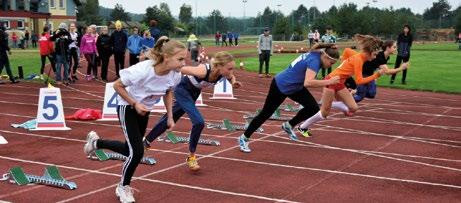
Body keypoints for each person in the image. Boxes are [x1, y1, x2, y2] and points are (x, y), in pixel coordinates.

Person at [83, 37, 187, 203]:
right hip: (127, 106)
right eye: (180, 59)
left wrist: (169, 116)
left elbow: (168, 92)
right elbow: (117, 85)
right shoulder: (143, 70)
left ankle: (96, 143)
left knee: (129, 149)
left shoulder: (175, 75)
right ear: (166, 57)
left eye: (184, 59)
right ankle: (123, 187)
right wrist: (135, 103)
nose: (183, 63)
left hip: (144, 110)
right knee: (137, 152)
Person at [143, 51, 241, 170]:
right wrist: (162, 67)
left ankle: (146, 141)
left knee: (170, 118)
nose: (231, 72)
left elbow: (231, 77)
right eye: (229, 68)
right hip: (182, 90)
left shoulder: (223, 73)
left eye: (232, 69)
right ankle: (192, 157)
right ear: (219, 66)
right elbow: (180, 69)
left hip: (193, 94)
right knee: (199, 122)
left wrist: (234, 82)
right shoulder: (202, 70)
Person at [238, 43, 340, 153]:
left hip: (295, 87)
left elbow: (316, 46)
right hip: (281, 85)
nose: (331, 65)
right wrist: (329, 81)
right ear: (324, 56)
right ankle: (244, 138)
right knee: (266, 113)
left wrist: (329, 45)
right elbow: (308, 82)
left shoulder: (316, 52)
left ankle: (289, 125)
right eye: (331, 63)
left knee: (313, 107)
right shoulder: (314, 61)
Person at [297, 34, 386, 137]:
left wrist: (343, 63)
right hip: (331, 81)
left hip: (339, 82)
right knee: (324, 113)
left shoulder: (357, 55)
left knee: (353, 108)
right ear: (369, 53)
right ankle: (303, 127)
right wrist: (376, 75)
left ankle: (333, 104)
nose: (375, 57)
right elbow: (359, 81)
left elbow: (347, 50)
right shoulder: (359, 60)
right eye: (374, 54)